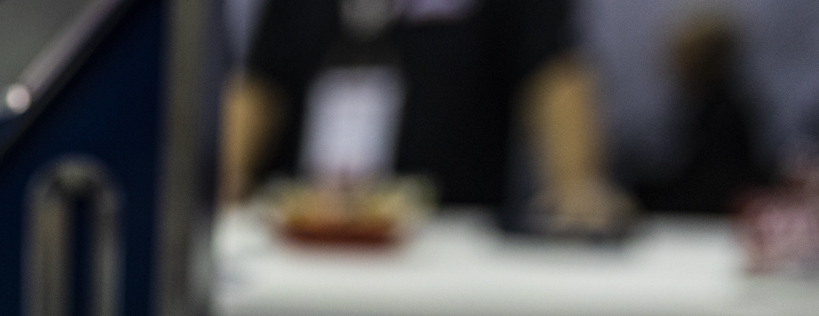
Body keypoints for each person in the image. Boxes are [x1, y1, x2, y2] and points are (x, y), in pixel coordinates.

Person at [221, 0, 629, 232]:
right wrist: (226, 171)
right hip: (311, 227)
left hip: (446, 234)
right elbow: (260, 85)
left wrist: (575, 182)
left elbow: (554, 76)